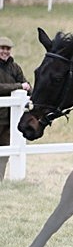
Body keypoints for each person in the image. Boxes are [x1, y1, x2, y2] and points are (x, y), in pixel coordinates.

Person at [0, 36, 32, 181]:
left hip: (9, 120)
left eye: (8, 49)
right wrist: (19, 87)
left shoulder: (15, 67)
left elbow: (26, 84)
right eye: (2, 48)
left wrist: (30, 89)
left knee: (5, 152)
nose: (5, 51)